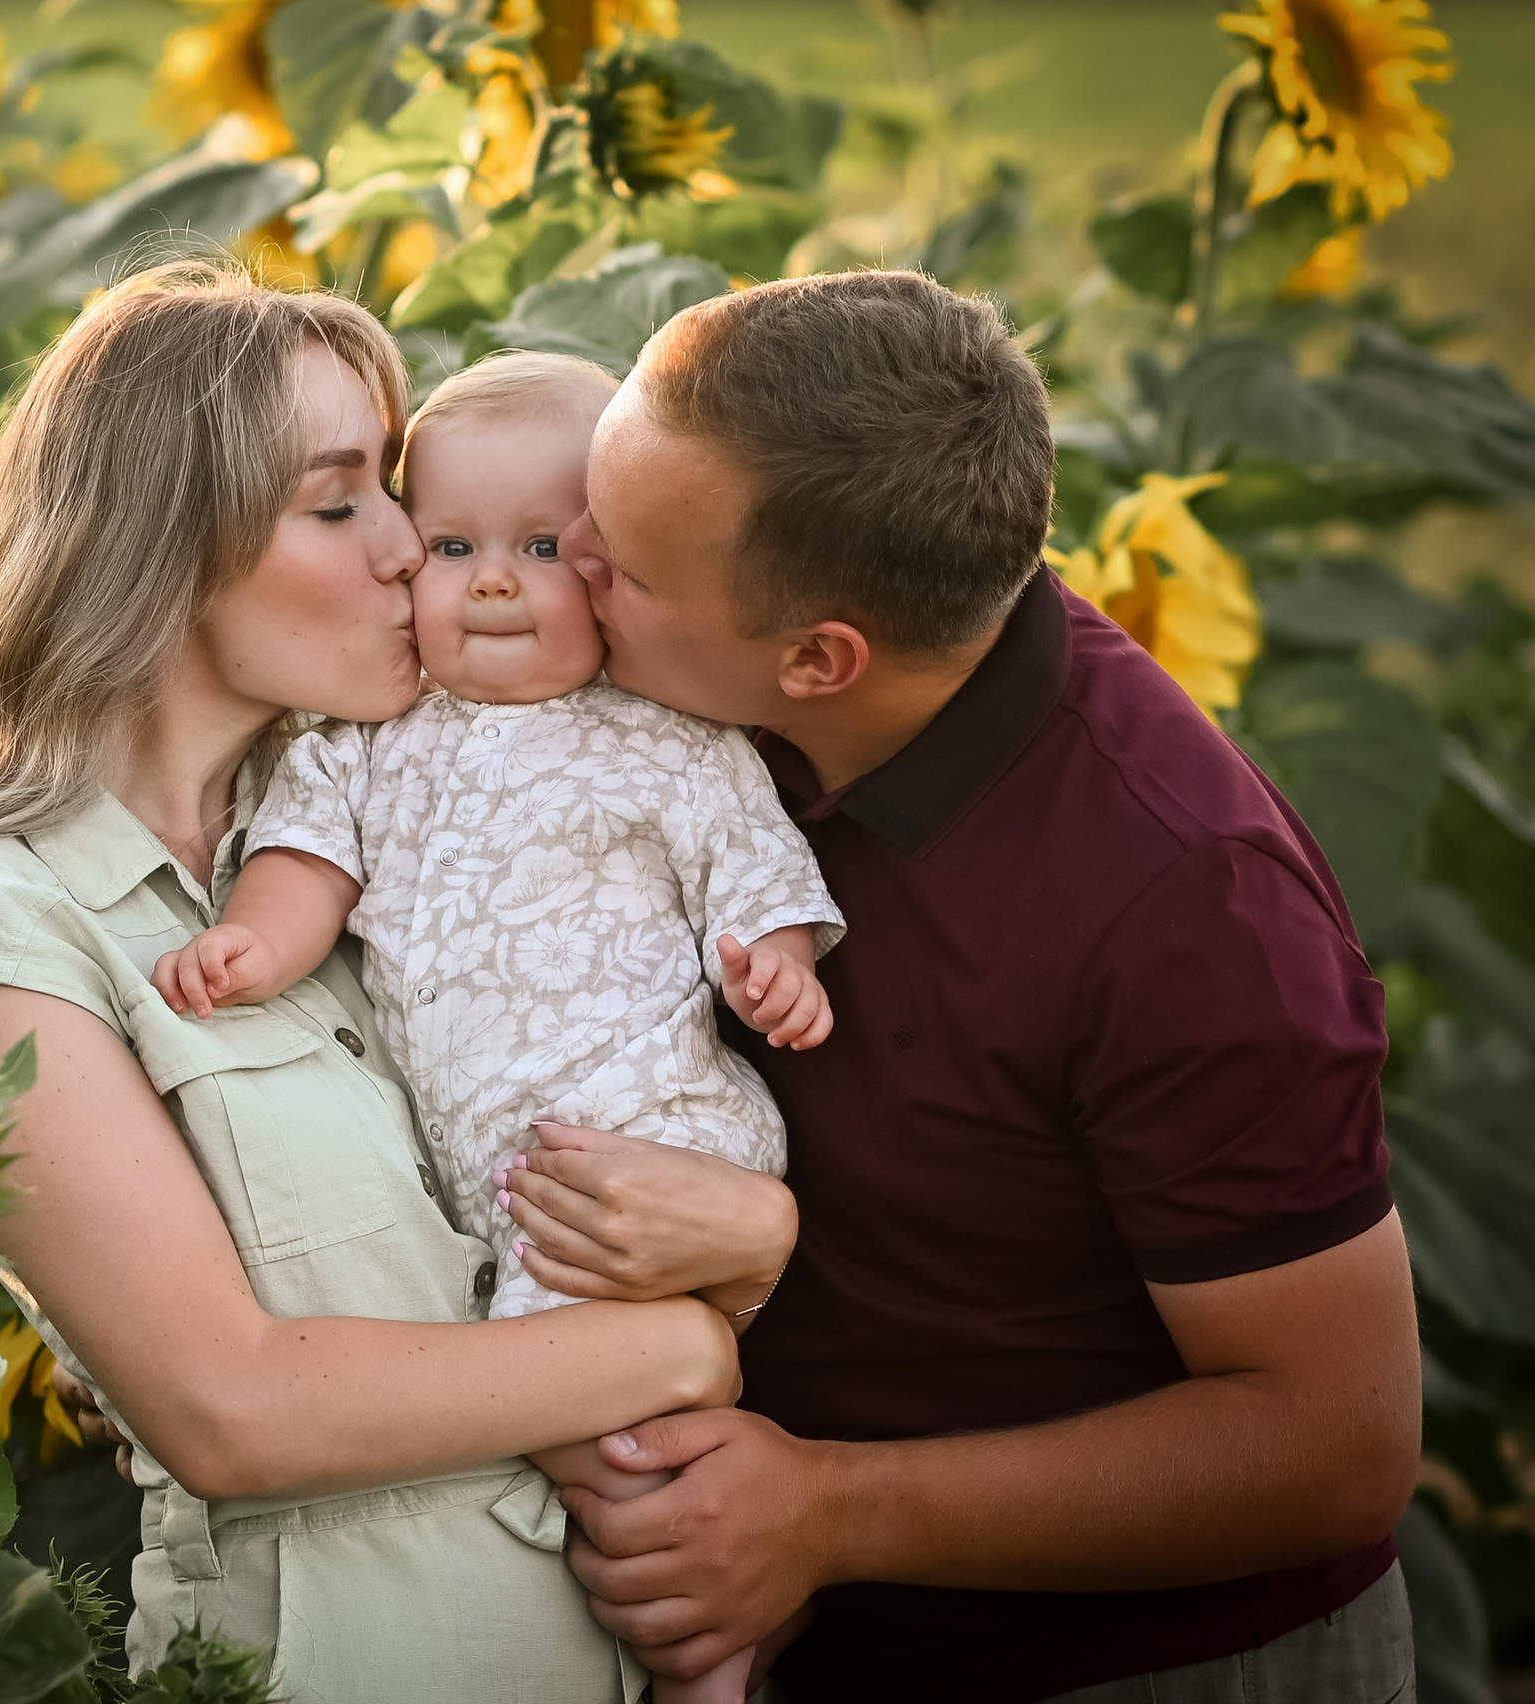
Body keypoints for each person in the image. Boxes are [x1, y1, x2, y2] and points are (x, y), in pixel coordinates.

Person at [0, 260, 777, 1702]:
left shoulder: (370, 834)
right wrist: (686, 1341)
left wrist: (755, 1225)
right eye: (338, 504)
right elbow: (232, 1406)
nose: (406, 551)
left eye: (396, 489)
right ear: (163, 552)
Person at [506, 270, 1420, 1702]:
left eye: (620, 559)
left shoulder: (1189, 904)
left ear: (819, 659)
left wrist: (825, 1510)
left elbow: (1336, 1445)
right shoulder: (714, 701)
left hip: (1144, 1659)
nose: (563, 558)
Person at [148, 350, 844, 1704]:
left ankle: (706, 1653)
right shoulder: (370, 737)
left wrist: (775, 963)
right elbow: (308, 866)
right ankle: (719, 1620)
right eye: (453, 545)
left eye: (543, 548)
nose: (492, 582)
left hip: (641, 1130)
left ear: (610, 569)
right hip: (499, 1174)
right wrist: (256, 944)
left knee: (591, 1429)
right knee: (606, 1415)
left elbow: (752, 872)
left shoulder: (670, 739)